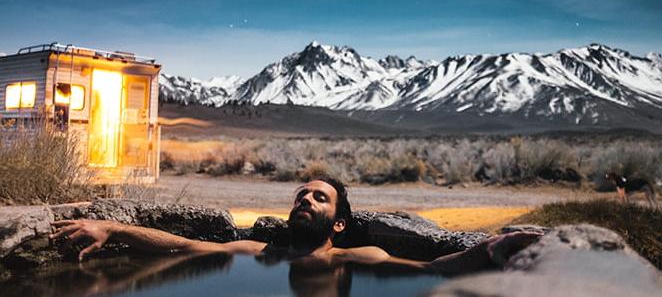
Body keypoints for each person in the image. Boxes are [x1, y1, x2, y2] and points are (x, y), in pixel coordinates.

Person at [50, 177, 541, 276]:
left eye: (319, 197)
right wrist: (112, 228)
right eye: (301, 195)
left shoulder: (358, 258)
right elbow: (181, 245)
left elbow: (432, 270)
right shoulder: (258, 252)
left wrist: (489, 249)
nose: (306, 198)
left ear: (340, 222)